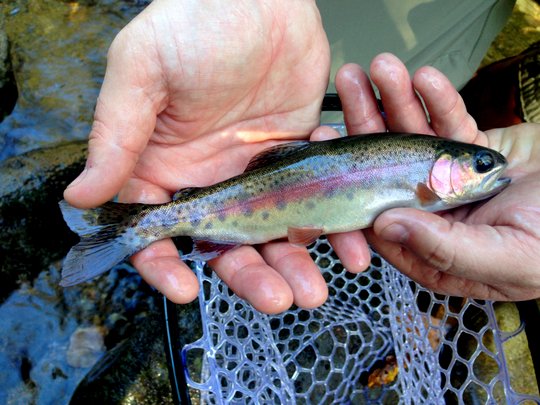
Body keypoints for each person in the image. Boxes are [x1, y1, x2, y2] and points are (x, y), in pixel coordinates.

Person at [64, 0, 540, 314]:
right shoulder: (424, 189)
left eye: (482, 165)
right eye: (480, 165)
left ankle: (128, 226)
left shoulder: (427, 177)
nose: (489, 168)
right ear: (439, 169)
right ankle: (131, 226)